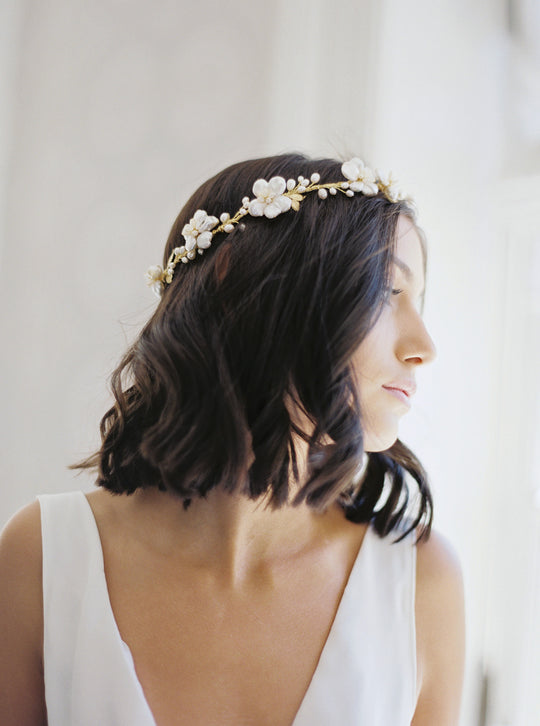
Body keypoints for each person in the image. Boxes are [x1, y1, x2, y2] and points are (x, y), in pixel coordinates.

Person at [0, 153, 465, 725]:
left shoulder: (420, 584)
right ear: (247, 288)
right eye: (389, 291)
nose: (424, 345)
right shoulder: (43, 557)